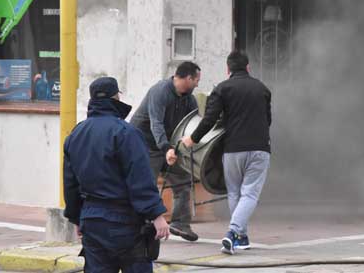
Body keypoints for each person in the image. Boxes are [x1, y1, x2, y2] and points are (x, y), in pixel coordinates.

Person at [63, 77, 170, 273]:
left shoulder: (75, 135)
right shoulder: (126, 133)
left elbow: (70, 184)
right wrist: (156, 215)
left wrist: (77, 217)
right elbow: (140, 178)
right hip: (125, 222)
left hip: (92, 221)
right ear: (116, 97)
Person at [182, 51, 271, 255]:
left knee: (234, 192)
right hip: (259, 149)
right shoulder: (262, 89)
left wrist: (192, 139)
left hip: (233, 149)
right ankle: (234, 233)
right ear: (248, 68)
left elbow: (209, 119)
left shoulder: (222, 89)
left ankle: (241, 236)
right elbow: (268, 120)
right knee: (249, 193)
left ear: (228, 70)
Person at [130, 62, 201, 242]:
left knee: (183, 181)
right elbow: (156, 124)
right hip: (145, 144)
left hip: (168, 146)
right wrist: (166, 148)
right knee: (146, 185)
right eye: (197, 80)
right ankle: (141, 224)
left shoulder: (190, 99)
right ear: (187, 78)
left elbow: (191, 127)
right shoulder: (160, 92)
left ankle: (180, 223)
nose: (198, 84)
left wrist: (184, 147)